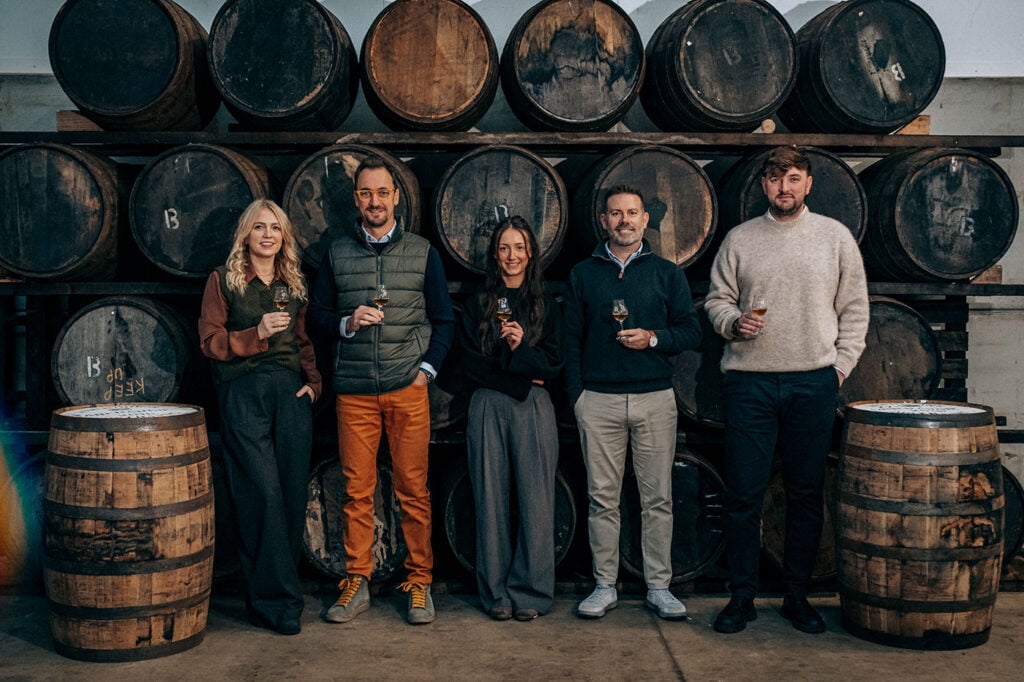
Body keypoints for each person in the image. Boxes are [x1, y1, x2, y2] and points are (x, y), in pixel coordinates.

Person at [704, 146, 869, 635]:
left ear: (808, 184)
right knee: (744, 495)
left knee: (804, 493)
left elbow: (855, 310)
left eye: (793, 178)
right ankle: (742, 597)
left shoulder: (834, 238)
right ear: (763, 187)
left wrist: (837, 370)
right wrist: (733, 324)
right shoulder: (741, 239)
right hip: (749, 382)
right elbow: (717, 299)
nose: (784, 188)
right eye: (776, 179)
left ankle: (797, 596)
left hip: (811, 382)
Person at [309, 155, 454, 625]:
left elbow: (444, 320)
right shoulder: (336, 253)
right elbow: (316, 318)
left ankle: (419, 580)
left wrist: (425, 371)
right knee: (357, 491)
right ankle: (357, 580)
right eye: (366, 193)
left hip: (406, 390)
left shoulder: (422, 251)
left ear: (396, 196)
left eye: (382, 192)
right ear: (357, 199)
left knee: (413, 490)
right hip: (353, 392)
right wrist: (347, 323)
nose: (375, 201)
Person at [564, 184, 701, 620]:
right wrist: (577, 398)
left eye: (632, 213)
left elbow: (691, 332)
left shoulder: (666, 273)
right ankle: (605, 584)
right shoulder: (584, 273)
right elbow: (569, 339)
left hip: (654, 398)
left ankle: (658, 586)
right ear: (604, 221)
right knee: (602, 498)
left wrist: (654, 338)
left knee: (657, 498)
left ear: (645, 220)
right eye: (616, 213)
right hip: (598, 400)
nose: (624, 220)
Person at [198, 199, 321, 636]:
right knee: (261, 494)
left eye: (275, 228)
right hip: (244, 391)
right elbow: (210, 341)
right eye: (259, 228)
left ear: (283, 236)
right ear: (246, 235)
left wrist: (313, 384)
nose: (267, 235)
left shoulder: (292, 282)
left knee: (288, 496)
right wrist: (255, 334)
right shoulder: (224, 280)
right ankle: (277, 603)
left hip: (289, 394)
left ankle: (274, 597)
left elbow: (303, 341)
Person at [454, 216, 563, 622]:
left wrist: (519, 351)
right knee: (490, 499)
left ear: (530, 252)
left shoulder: (544, 303)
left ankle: (531, 592)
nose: (512, 255)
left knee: (537, 499)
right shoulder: (479, 303)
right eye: (504, 247)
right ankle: (496, 593)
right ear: (494, 254)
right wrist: (522, 371)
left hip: (534, 406)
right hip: (488, 404)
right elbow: (469, 364)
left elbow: (554, 364)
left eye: (519, 247)